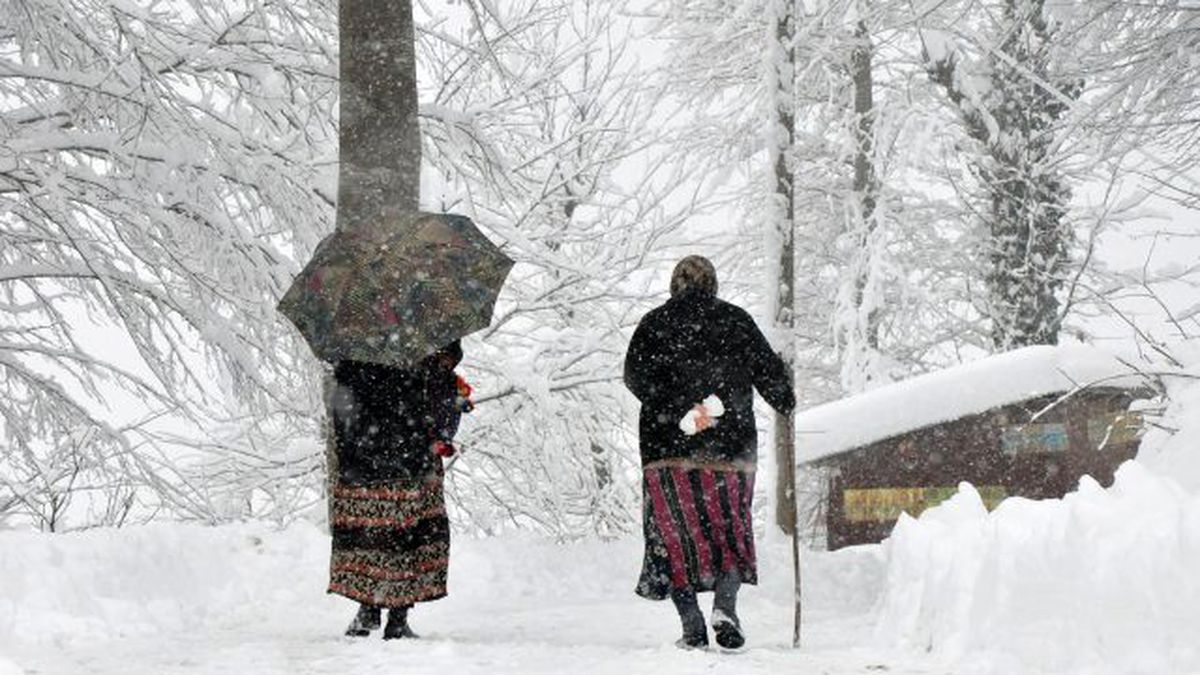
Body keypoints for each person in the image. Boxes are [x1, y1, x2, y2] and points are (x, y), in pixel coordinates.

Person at [623, 256, 795, 650]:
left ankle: (692, 627)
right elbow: (769, 375)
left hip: (667, 452)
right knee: (730, 532)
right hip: (729, 451)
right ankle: (725, 607)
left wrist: (678, 410)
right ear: (713, 285)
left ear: (674, 285)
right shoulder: (736, 321)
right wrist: (784, 394)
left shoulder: (654, 323)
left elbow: (634, 376)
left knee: (675, 539)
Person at [327, 340, 472, 639]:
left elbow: (342, 414)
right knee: (407, 539)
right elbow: (435, 417)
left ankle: (368, 610)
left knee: (371, 538)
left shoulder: (352, 354)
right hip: (410, 466)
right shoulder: (421, 358)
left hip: (362, 469)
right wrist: (451, 393)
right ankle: (396, 619)